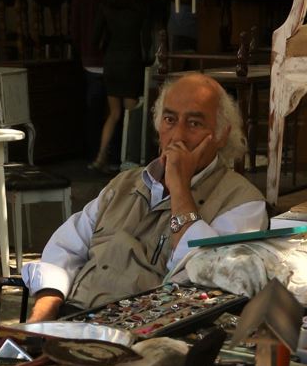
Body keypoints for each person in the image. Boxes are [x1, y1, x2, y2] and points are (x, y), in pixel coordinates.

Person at [23, 72, 267, 321]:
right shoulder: (124, 183)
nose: (178, 136)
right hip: (70, 318)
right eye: (170, 120)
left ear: (221, 134)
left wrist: (179, 188)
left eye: (194, 124)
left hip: (146, 333)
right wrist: (44, 313)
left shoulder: (243, 202)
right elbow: (65, 247)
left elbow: (210, 274)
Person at [90, 0, 152, 172]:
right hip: (131, 62)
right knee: (131, 112)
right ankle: (131, 157)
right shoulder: (141, 7)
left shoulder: (107, 6)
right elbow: (147, 42)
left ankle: (100, 157)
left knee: (114, 113)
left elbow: (95, 38)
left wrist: (107, 48)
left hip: (112, 61)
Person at [70, 0, 120, 166]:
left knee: (93, 110)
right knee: (115, 112)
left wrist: (79, 46)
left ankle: (92, 154)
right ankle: (113, 155)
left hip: (89, 57)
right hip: (113, 58)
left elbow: (75, 19)